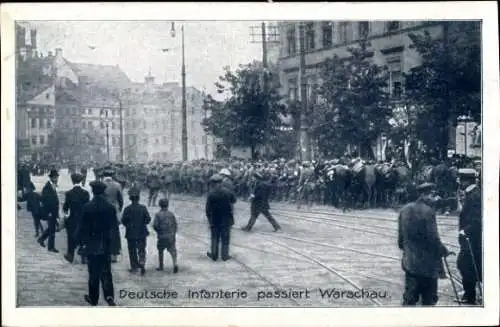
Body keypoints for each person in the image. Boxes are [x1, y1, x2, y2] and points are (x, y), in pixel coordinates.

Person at [398, 182, 452, 306]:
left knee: (409, 298)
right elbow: (433, 238)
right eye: (433, 195)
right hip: (428, 265)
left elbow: (400, 241)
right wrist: (444, 251)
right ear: (424, 195)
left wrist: (408, 250)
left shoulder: (404, 209)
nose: (435, 199)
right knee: (428, 300)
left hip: (410, 262)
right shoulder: (429, 212)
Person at [79, 180, 120, 306]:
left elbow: (82, 228)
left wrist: (81, 243)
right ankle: (109, 296)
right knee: (106, 271)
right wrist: (115, 248)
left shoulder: (87, 207)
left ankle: (93, 298)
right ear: (104, 192)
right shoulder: (110, 208)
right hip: (106, 244)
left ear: (93, 191)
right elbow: (114, 229)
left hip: (92, 244)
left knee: (93, 272)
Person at [456, 174, 482, 304]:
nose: (459, 182)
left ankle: (470, 296)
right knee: (473, 265)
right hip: (471, 239)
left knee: (464, 265)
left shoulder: (475, 196)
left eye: (461, 180)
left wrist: (465, 231)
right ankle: (470, 294)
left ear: (467, 181)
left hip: (471, 239)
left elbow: (477, 219)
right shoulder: (472, 193)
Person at [205, 174, 236, 261]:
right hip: (226, 219)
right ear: (221, 182)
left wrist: (209, 219)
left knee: (215, 237)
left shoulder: (211, 193)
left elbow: (207, 210)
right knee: (225, 238)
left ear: (213, 183)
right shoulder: (227, 191)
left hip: (215, 219)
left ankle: (214, 255)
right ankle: (225, 256)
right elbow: (234, 200)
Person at [121, 187, 151, 275]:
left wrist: (128, 226)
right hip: (142, 232)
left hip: (131, 233)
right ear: (139, 198)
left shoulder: (127, 209)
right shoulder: (143, 208)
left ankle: (134, 267)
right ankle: (142, 263)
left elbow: (123, 220)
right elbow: (148, 219)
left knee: (132, 250)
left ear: (130, 199)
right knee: (142, 249)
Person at [62, 173, 90, 264]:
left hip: (72, 218)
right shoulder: (85, 193)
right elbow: (87, 206)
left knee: (71, 237)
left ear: (72, 181)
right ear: (81, 181)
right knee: (83, 237)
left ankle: (70, 255)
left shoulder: (69, 193)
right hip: (83, 218)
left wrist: (65, 214)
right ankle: (84, 257)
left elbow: (65, 208)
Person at [102, 166, 123, 263]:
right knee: (114, 232)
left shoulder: (101, 184)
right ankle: (114, 255)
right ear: (112, 175)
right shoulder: (117, 185)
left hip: (102, 211)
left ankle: (103, 252)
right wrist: (119, 209)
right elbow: (121, 199)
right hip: (114, 211)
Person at [153, 198, 179, 273]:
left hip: (162, 236)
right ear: (167, 205)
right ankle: (175, 264)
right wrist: (173, 233)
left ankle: (161, 266)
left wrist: (159, 231)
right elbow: (175, 225)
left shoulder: (158, 214)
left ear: (160, 205)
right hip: (170, 236)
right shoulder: (171, 214)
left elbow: (155, 225)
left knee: (160, 251)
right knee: (173, 251)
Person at [37, 169, 60, 253]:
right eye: (55, 177)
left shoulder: (52, 185)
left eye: (57, 177)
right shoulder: (47, 187)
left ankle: (41, 239)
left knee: (51, 228)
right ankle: (51, 247)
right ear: (51, 178)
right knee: (52, 229)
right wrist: (49, 212)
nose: (57, 178)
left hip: (53, 211)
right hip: (50, 211)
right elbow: (45, 200)